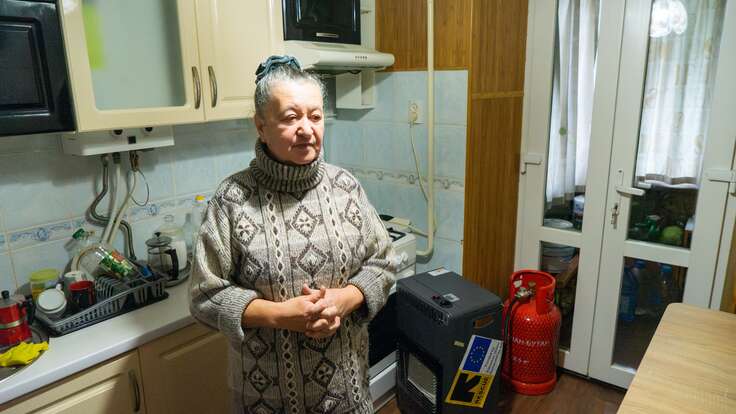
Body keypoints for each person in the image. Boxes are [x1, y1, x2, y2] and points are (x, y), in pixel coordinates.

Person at [189, 55, 396, 414]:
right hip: (266, 401)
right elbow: (204, 296)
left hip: (347, 394)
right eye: (290, 117)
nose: (306, 128)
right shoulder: (231, 199)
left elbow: (384, 263)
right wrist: (281, 316)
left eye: (315, 116)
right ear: (260, 125)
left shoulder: (346, 187)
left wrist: (345, 299)